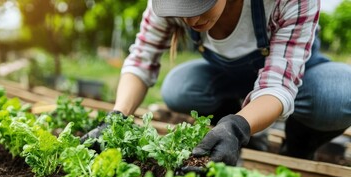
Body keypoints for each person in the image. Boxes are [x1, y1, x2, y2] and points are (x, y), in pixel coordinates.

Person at [82, 0, 351, 166]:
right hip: (232, 78)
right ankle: (249, 134)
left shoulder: (286, 1)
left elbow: (277, 85)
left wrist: (236, 128)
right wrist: (116, 117)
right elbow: (141, 59)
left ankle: (299, 144)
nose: (191, 20)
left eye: (199, 5)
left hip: (297, 77)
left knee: (339, 94)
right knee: (179, 87)